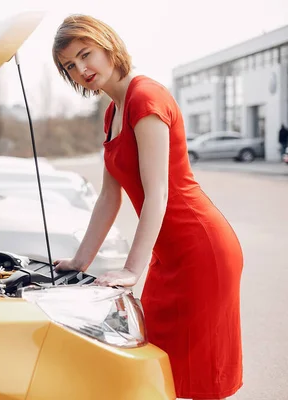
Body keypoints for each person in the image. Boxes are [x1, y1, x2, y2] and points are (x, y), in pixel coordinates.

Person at [51, 15, 243, 400]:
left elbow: (158, 193)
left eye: (86, 54)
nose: (82, 69)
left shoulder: (146, 98)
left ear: (108, 45)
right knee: (159, 369)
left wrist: (130, 269)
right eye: (70, 65)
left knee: (197, 379)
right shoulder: (112, 111)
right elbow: (110, 196)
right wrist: (80, 261)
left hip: (200, 249)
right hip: (167, 256)